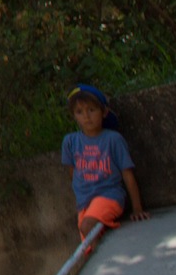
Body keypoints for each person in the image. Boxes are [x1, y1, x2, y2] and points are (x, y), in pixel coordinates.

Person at [62, 83, 149, 238]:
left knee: (87, 226)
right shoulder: (70, 142)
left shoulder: (113, 139)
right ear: (74, 116)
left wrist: (137, 208)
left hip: (109, 196)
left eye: (91, 110)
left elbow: (127, 174)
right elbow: (73, 173)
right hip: (84, 204)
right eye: (79, 112)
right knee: (87, 248)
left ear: (104, 112)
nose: (86, 116)